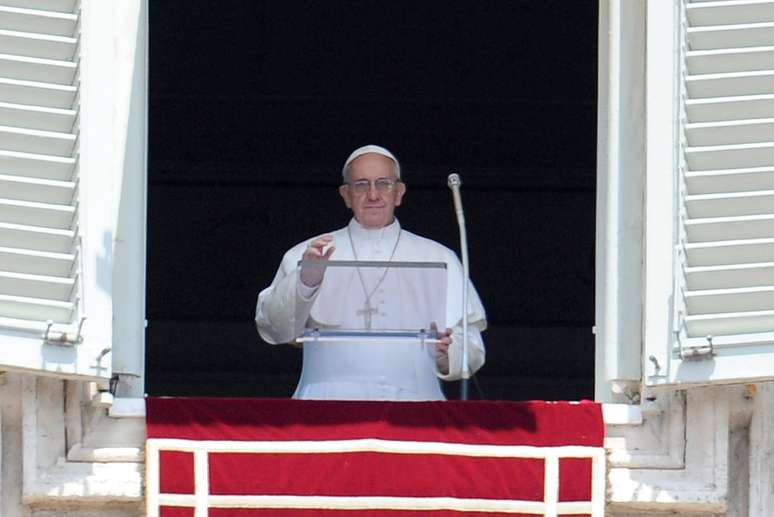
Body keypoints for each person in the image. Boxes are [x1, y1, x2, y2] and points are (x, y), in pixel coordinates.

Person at [255, 145, 486, 400]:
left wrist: (447, 354)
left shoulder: (439, 257)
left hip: (416, 405)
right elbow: (274, 330)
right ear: (346, 195)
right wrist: (306, 283)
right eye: (362, 185)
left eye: (384, 184)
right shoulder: (308, 254)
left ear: (399, 193)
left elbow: (473, 349)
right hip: (326, 406)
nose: (373, 195)